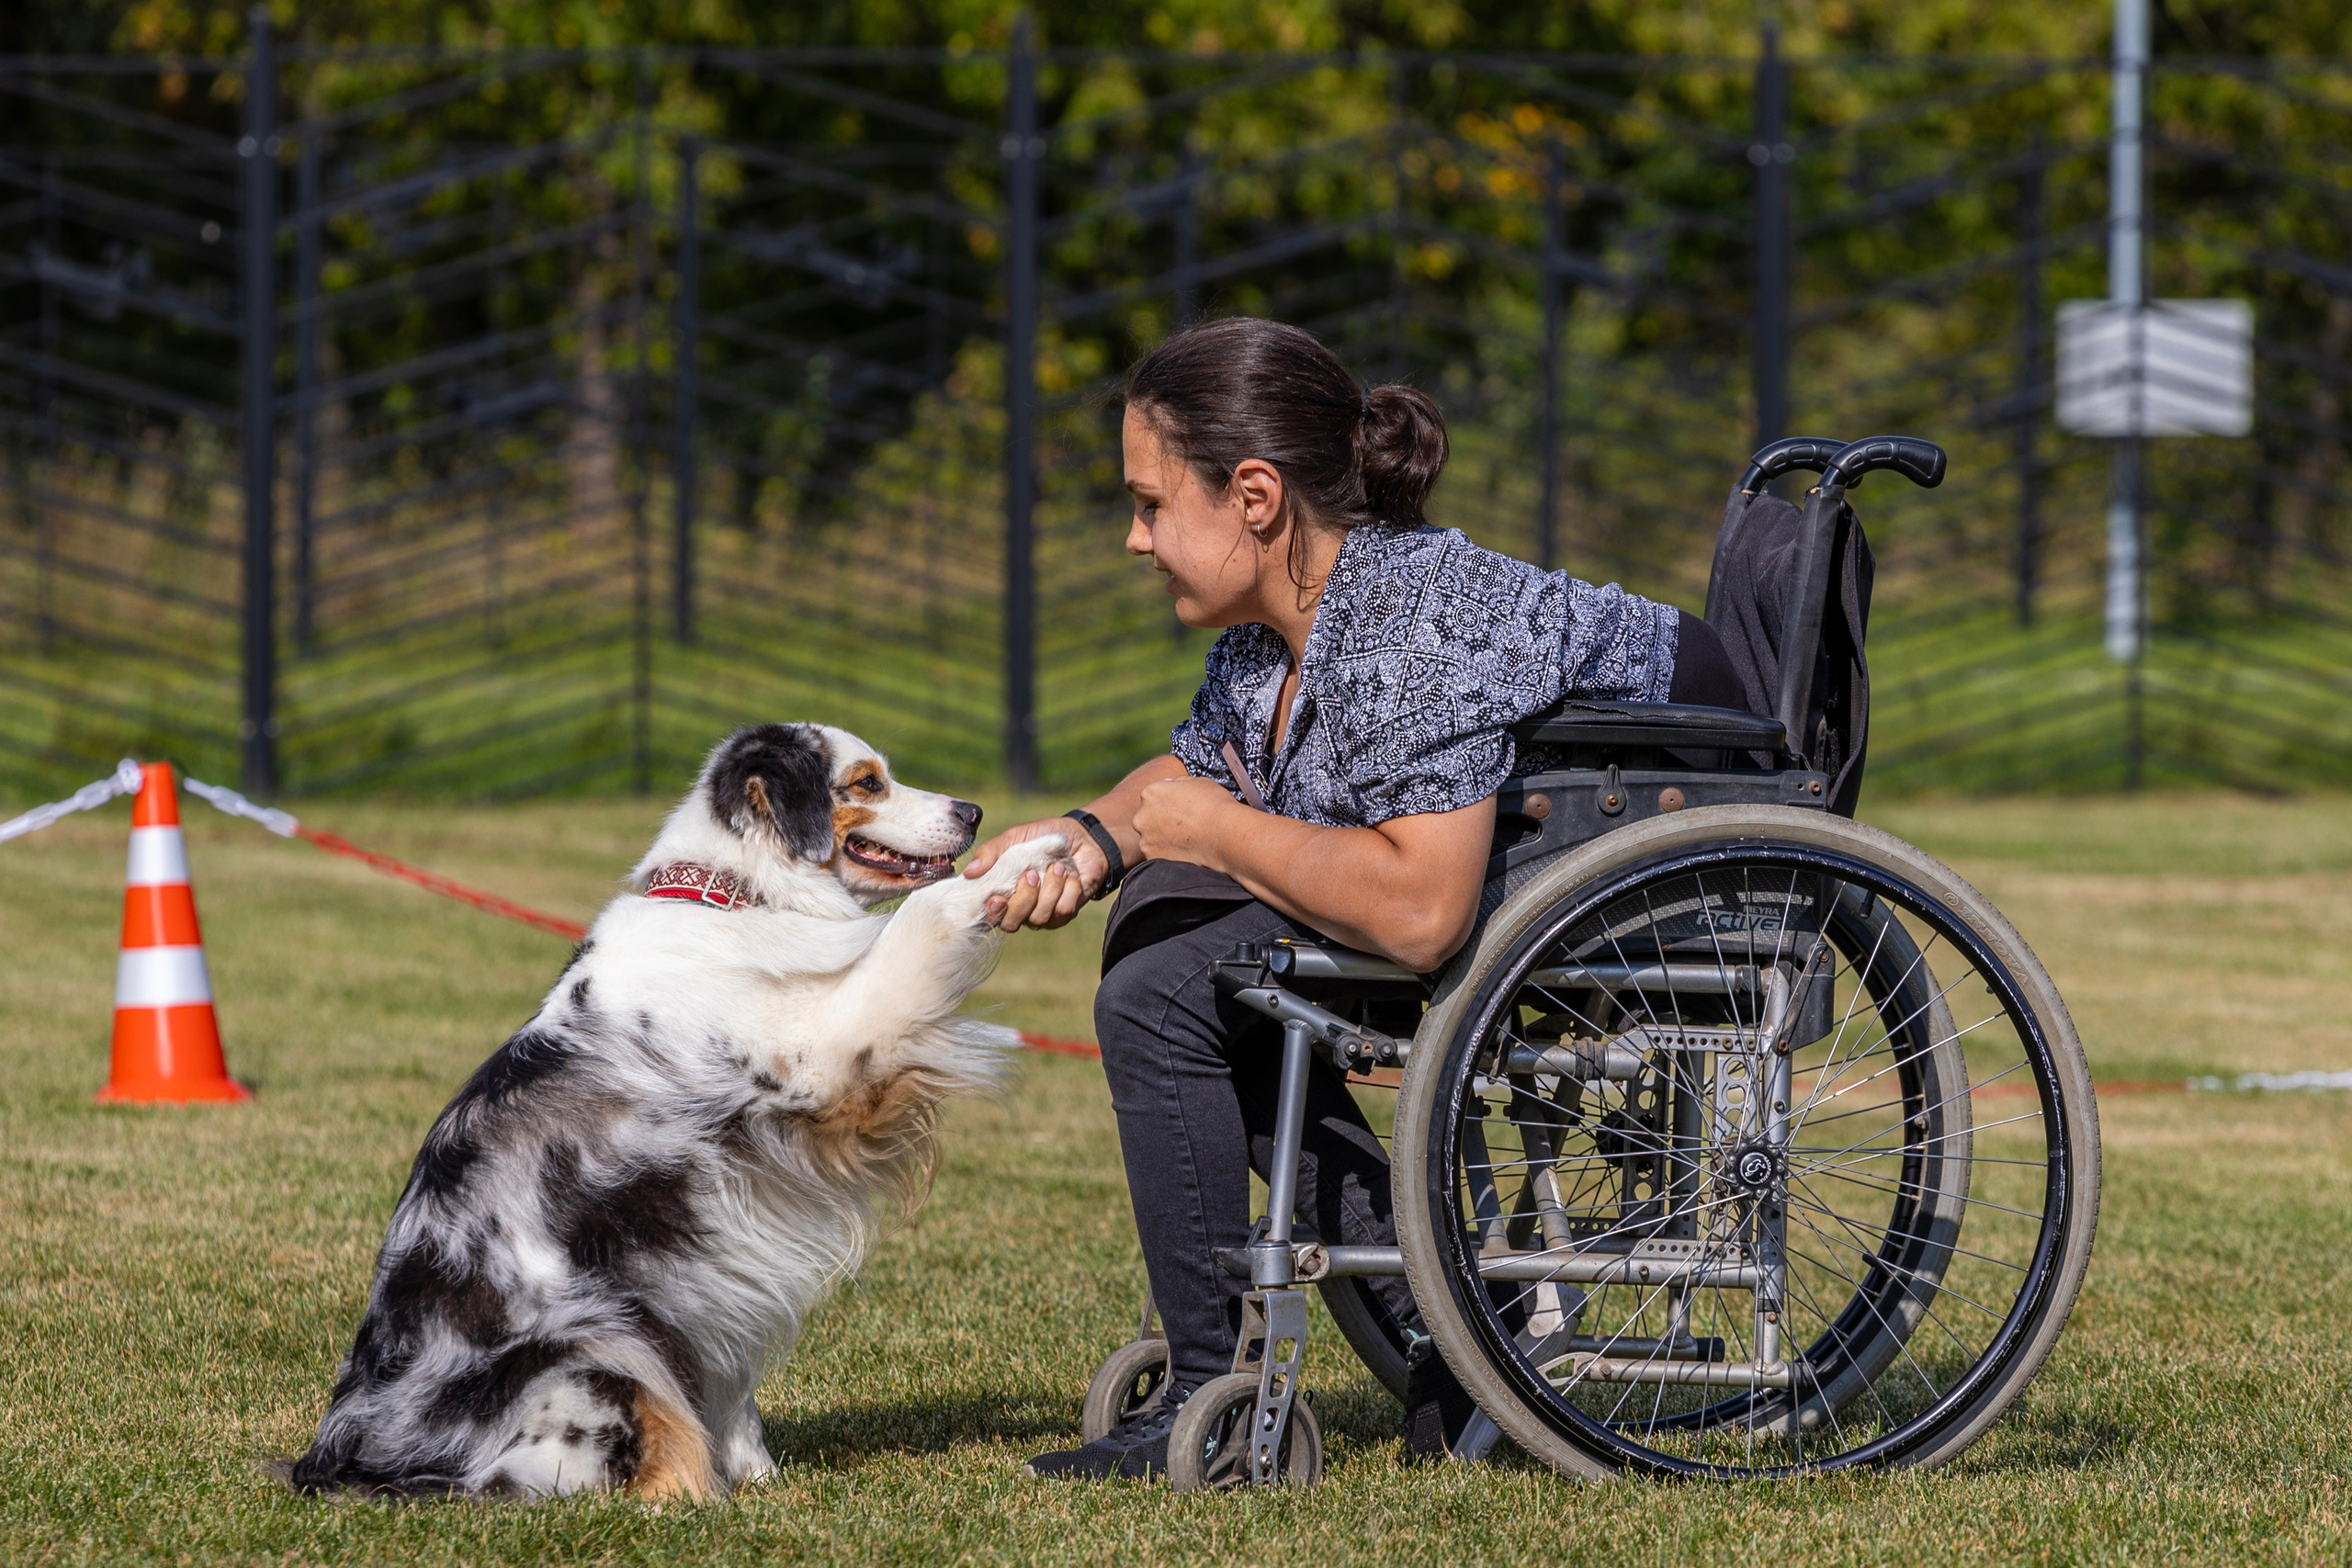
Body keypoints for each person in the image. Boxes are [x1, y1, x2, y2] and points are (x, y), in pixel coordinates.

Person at [964, 317, 1750, 1482]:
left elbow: (1421, 914)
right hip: (1543, 841)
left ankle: (1212, 1391)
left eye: (1147, 503)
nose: (1133, 539)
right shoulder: (1277, 619)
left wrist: (1214, 834)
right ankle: (1442, 1353)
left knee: (1166, 984)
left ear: (1253, 496)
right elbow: (1191, 776)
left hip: (1662, 843)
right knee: (1166, 929)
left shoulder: (1408, 625)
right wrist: (1087, 840)